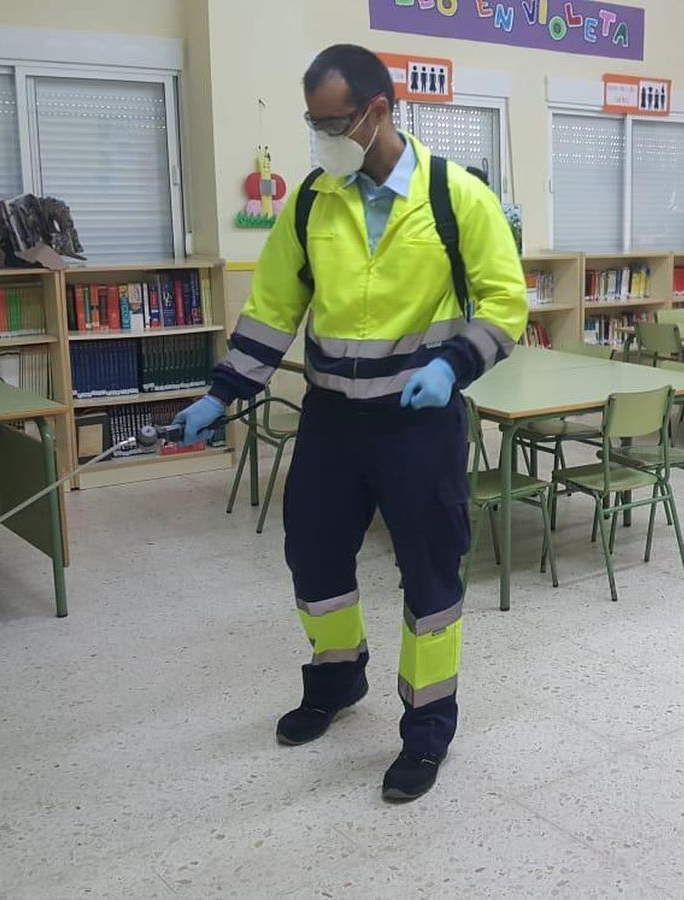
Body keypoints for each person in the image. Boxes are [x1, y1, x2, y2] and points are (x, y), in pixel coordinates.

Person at [171, 44, 527, 801]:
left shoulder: (455, 196)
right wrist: (221, 394)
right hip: (332, 418)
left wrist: (453, 365)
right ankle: (336, 680)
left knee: (429, 572)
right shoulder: (312, 200)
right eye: (313, 122)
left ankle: (427, 728)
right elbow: (273, 308)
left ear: (377, 112)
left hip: (418, 422)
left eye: (332, 122)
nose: (321, 136)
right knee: (314, 557)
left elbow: (505, 304)